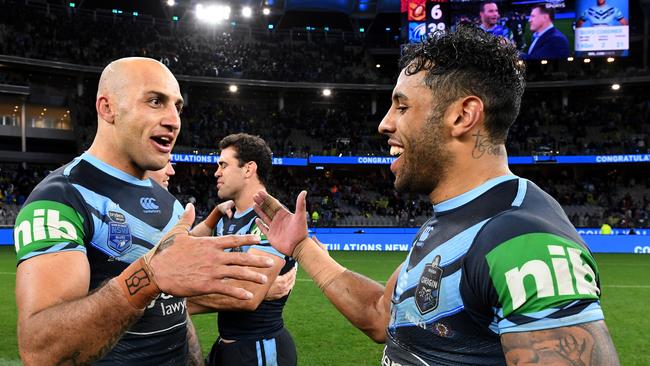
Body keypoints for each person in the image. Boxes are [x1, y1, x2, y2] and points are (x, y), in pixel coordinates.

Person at [252, 27, 620, 365]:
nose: (384, 123)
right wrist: (302, 247)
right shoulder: (451, 221)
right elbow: (382, 314)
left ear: (463, 115)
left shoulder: (522, 241)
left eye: (402, 106)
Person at [13, 57, 276, 366]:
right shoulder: (61, 198)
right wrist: (150, 277)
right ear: (107, 108)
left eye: (177, 107)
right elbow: (40, 349)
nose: (174, 121)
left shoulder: (171, 205)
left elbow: (175, 313)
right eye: (155, 101)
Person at [189, 133, 298, 366]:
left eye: (223, 165)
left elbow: (246, 296)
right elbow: (183, 251)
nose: (216, 172)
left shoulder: (271, 219)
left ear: (248, 169)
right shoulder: (224, 218)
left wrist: (170, 299)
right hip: (227, 346)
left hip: (259, 349)